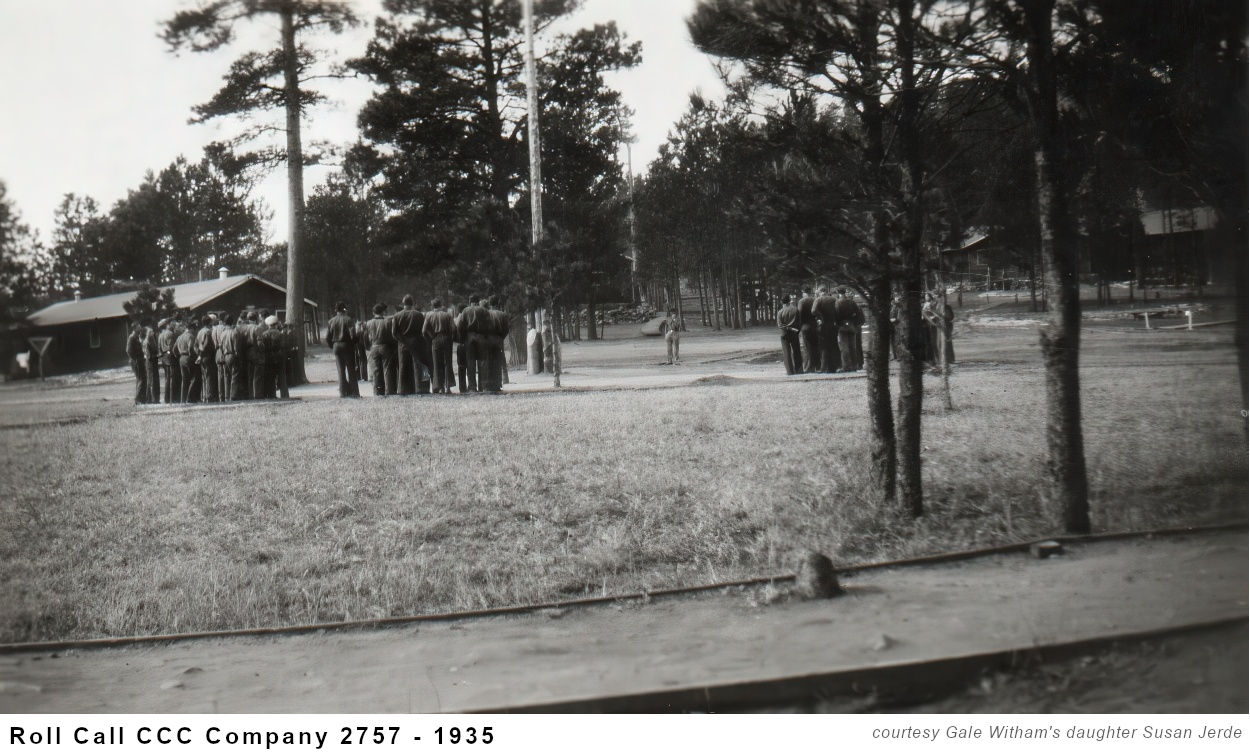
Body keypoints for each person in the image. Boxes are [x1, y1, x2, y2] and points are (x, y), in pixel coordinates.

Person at [390, 294, 428, 396]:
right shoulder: (419, 315)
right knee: (417, 367)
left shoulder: (397, 316)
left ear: (403, 304)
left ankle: (402, 390)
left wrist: (401, 340)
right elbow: (422, 331)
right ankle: (418, 389)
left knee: (402, 366)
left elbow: (394, 333)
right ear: (412, 303)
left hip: (403, 344)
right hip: (415, 343)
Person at [325, 301, 360, 398]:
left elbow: (328, 337)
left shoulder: (331, 321)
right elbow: (353, 335)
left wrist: (333, 346)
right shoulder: (348, 320)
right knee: (351, 370)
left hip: (336, 346)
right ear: (344, 309)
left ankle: (342, 392)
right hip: (347, 345)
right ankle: (354, 393)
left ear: (336, 310)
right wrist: (354, 343)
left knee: (341, 371)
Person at [422, 297, 455, 394]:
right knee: (447, 363)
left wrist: (431, 338)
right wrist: (450, 337)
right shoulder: (447, 315)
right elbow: (453, 329)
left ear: (432, 306)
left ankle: (440, 387)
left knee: (437, 364)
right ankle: (448, 386)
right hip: (446, 339)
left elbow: (424, 331)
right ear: (441, 305)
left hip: (435, 339)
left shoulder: (429, 315)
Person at [363, 302, 397, 396]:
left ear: (374, 312)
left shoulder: (368, 323)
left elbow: (365, 337)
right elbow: (391, 336)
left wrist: (368, 347)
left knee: (376, 371)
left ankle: (378, 392)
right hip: (385, 347)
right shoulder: (387, 322)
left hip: (373, 347)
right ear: (382, 312)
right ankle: (389, 391)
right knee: (387, 370)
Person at [458, 295, 490, 392]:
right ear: (478, 301)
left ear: (470, 301)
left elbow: (460, 326)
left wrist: (463, 339)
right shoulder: (484, 310)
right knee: (483, 362)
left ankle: (472, 387)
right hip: (481, 337)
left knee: (470, 363)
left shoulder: (465, 311)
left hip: (469, 337)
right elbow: (489, 324)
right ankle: (483, 386)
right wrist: (486, 336)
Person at [482, 295, 508, 392]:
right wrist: (501, 337)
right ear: (497, 303)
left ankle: (487, 385)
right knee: (497, 362)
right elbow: (506, 329)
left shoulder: (485, 314)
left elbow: (482, 328)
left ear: (489, 303)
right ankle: (497, 384)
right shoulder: (502, 314)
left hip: (487, 339)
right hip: (498, 339)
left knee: (487, 362)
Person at [811, 288, 841, 373]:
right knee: (833, 345)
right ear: (826, 292)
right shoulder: (834, 299)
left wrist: (820, 316)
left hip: (823, 325)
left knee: (824, 346)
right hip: (833, 324)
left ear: (820, 292)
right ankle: (835, 367)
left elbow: (813, 311)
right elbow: (838, 311)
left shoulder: (818, 300)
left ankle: (824, 367)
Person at [834, 289, 865, 371]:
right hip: (851, 325)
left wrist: (838, 325)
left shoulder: (837, 303)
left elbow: (836, 315)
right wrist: (853, 322)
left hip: (842, 326)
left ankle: (846, 366)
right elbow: (858, 314)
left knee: (844, 348)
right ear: (844, 293)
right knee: (853, 347)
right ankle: (854, 365)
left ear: (838, 293)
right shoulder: (852, 302)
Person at [260, 315, 288, 399]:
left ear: (268, 325)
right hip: (279, 357)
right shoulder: (280, 334)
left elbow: (263, 347)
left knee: (270, 377)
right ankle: (284, 395)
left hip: (268, 357)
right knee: (282, 376)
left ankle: (271, 394)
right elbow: (284, 346)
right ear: (276, 324)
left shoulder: (264, 334)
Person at [175, 318, 200, 403]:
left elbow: (174, 349)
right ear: (191, 328)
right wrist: (194, 356)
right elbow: (190, 348)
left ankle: (183, 399)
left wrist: (178, 356)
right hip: (189, 358)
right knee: (194, 378)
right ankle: (190, 398)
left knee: (184, 380)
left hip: (181, 358)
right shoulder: (191, 336)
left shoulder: (179, 337)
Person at [217, 314, 242, 401]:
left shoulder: (222, 333)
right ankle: (233, 395)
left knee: (226, 376)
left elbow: (220, 345)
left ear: (225, 322)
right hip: (232, 354)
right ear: (232, 322)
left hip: (225, 355)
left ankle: (226, 396)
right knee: (234, 375)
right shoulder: (234, 332)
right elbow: (236, 347)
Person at [777, 294, 801, 375]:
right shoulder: (795, 310)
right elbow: (799, 322)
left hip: (784, 334)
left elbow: (780, 325)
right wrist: (797, 330)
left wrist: (788, 328)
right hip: (794, 332)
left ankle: (790, 371)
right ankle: (799, 369)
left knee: (787, 352)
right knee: (797, 351)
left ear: (781, 302)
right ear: (789, 300)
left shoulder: (780, 312)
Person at [797, 288, 819, 372]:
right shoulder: (815, 300)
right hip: (814, 325)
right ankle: (817, 365)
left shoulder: (801, 301)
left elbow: (799, 315)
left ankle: (809, 367)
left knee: (807, 347)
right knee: (815, 346)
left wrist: (799, 327)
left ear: (804, 292)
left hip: (805, 326)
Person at [125, 320, 147, 404]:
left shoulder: (136, 337)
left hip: (140, 360)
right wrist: (135, 359)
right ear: (134, 328)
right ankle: (138, 400)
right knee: (141, 379)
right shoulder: (132, 337)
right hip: (136, 361)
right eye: (138, 327)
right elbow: (128, 350)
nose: (140, 328)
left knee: (141, 379)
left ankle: (141, 399)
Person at [196, 316, 218, 402]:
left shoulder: (200, 332)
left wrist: (199, 354)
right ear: (209, 322)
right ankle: (209, 396)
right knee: (209, 376)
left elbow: (196, 344)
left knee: (204, 377)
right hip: (208, 355)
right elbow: (207, 344)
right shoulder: (208, 332)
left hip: (201, 356)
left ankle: (205, 395)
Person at [157, 319, 178, 404]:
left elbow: (159, 348)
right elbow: (171, 347)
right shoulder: (169, 333)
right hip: (170, 356)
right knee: (171, 378)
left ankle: (167, 398)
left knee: (167, 378)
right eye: (169, 323)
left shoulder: (160, 335)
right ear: (166, 325)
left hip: (164, 356)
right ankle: (171, 398)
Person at [141, 318, 160, 404]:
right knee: (152, 381)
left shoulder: (151, 341)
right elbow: (148, 356)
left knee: (153, 380)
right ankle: (152, 399)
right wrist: (156, 355)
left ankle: (154, 398)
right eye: (151, 332)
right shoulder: (147, 342)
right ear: (149, 334)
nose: (153, 334)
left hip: (152, 363)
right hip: (150, 363)